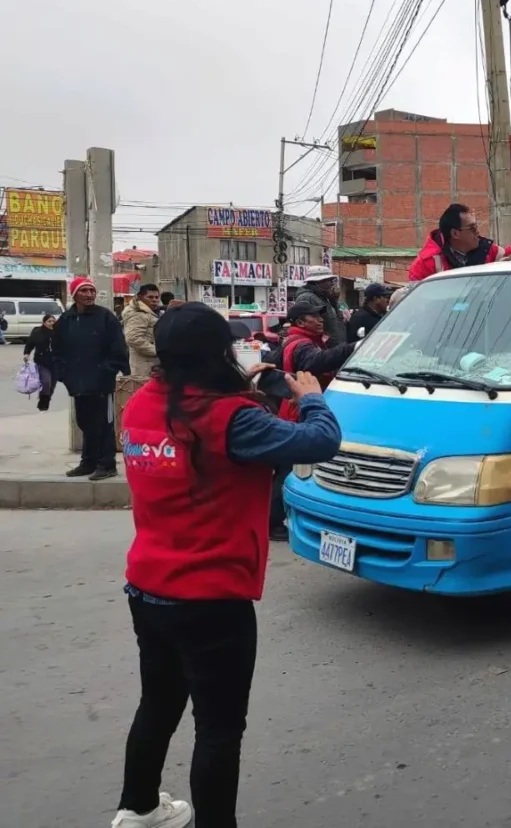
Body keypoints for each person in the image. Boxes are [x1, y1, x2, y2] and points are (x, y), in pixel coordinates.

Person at [113, 302, 342, 828]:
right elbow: (320, 441)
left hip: (148, 587)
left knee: (158, 703)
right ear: (218, 353)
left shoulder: (143, 403)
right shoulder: (230, 418)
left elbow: (210, 433)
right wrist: (312, 399)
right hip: (211, 598)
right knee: (218, 728)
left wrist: (246, 388)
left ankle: (138, 808)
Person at [264, 300, 356, 541]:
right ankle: (272, 522)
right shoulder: (302, 344)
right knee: (288, 470)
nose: (320, 319)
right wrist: (355, 347)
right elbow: (318, 362)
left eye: (320, 315)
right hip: (299, 412)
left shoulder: (296, 341)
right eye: (314, 316)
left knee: (288, 468)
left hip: (293, 409)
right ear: (300, 322)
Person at [53, 276, 130, 481]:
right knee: (85, 422)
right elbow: (57, 350)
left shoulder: (106, 317)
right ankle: (88, 462)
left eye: (91, 291)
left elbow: (118, 348)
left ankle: (107, 464)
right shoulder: (66, 320)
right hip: (78, 383)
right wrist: (63, 374)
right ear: (74, 294)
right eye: (84, 291)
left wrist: (107, 371)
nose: (89, 294)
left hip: (101, 383)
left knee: (103, 424)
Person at [408, 203, 511, 282]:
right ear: (455, 234)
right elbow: (416, 300)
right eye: (472, 228)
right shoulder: (425, 264)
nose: (478, 232)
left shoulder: (490, 251)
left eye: (476, 226)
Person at [294, 267, 347, 344]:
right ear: (318, 282)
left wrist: (334, 301)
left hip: (335, 345)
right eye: (329, 281)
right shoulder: (306, 298)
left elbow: (337, 320)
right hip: (322, 346)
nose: (332, 284)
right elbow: (305, 325)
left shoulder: (325, 297)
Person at [122, 283, 161, 378]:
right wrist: (157, 351)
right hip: (144, 365)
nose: (154, 300)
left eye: (156, 297)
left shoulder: (149, 312)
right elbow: (133, 338)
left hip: (150, 363)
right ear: (140, 297)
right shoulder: (138, 314)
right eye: (150, 297)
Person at [23, 313, 58, 411]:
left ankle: (46, 399)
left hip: (55, 362)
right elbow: (30, 343)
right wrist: (27, 354)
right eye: (49, 321)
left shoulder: (58, 332)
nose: (51, 323)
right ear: (44, 322)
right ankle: (43, 403)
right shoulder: (37, 332)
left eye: (53, 321)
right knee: (46, 382)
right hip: (42, 361)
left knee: (52, 385)